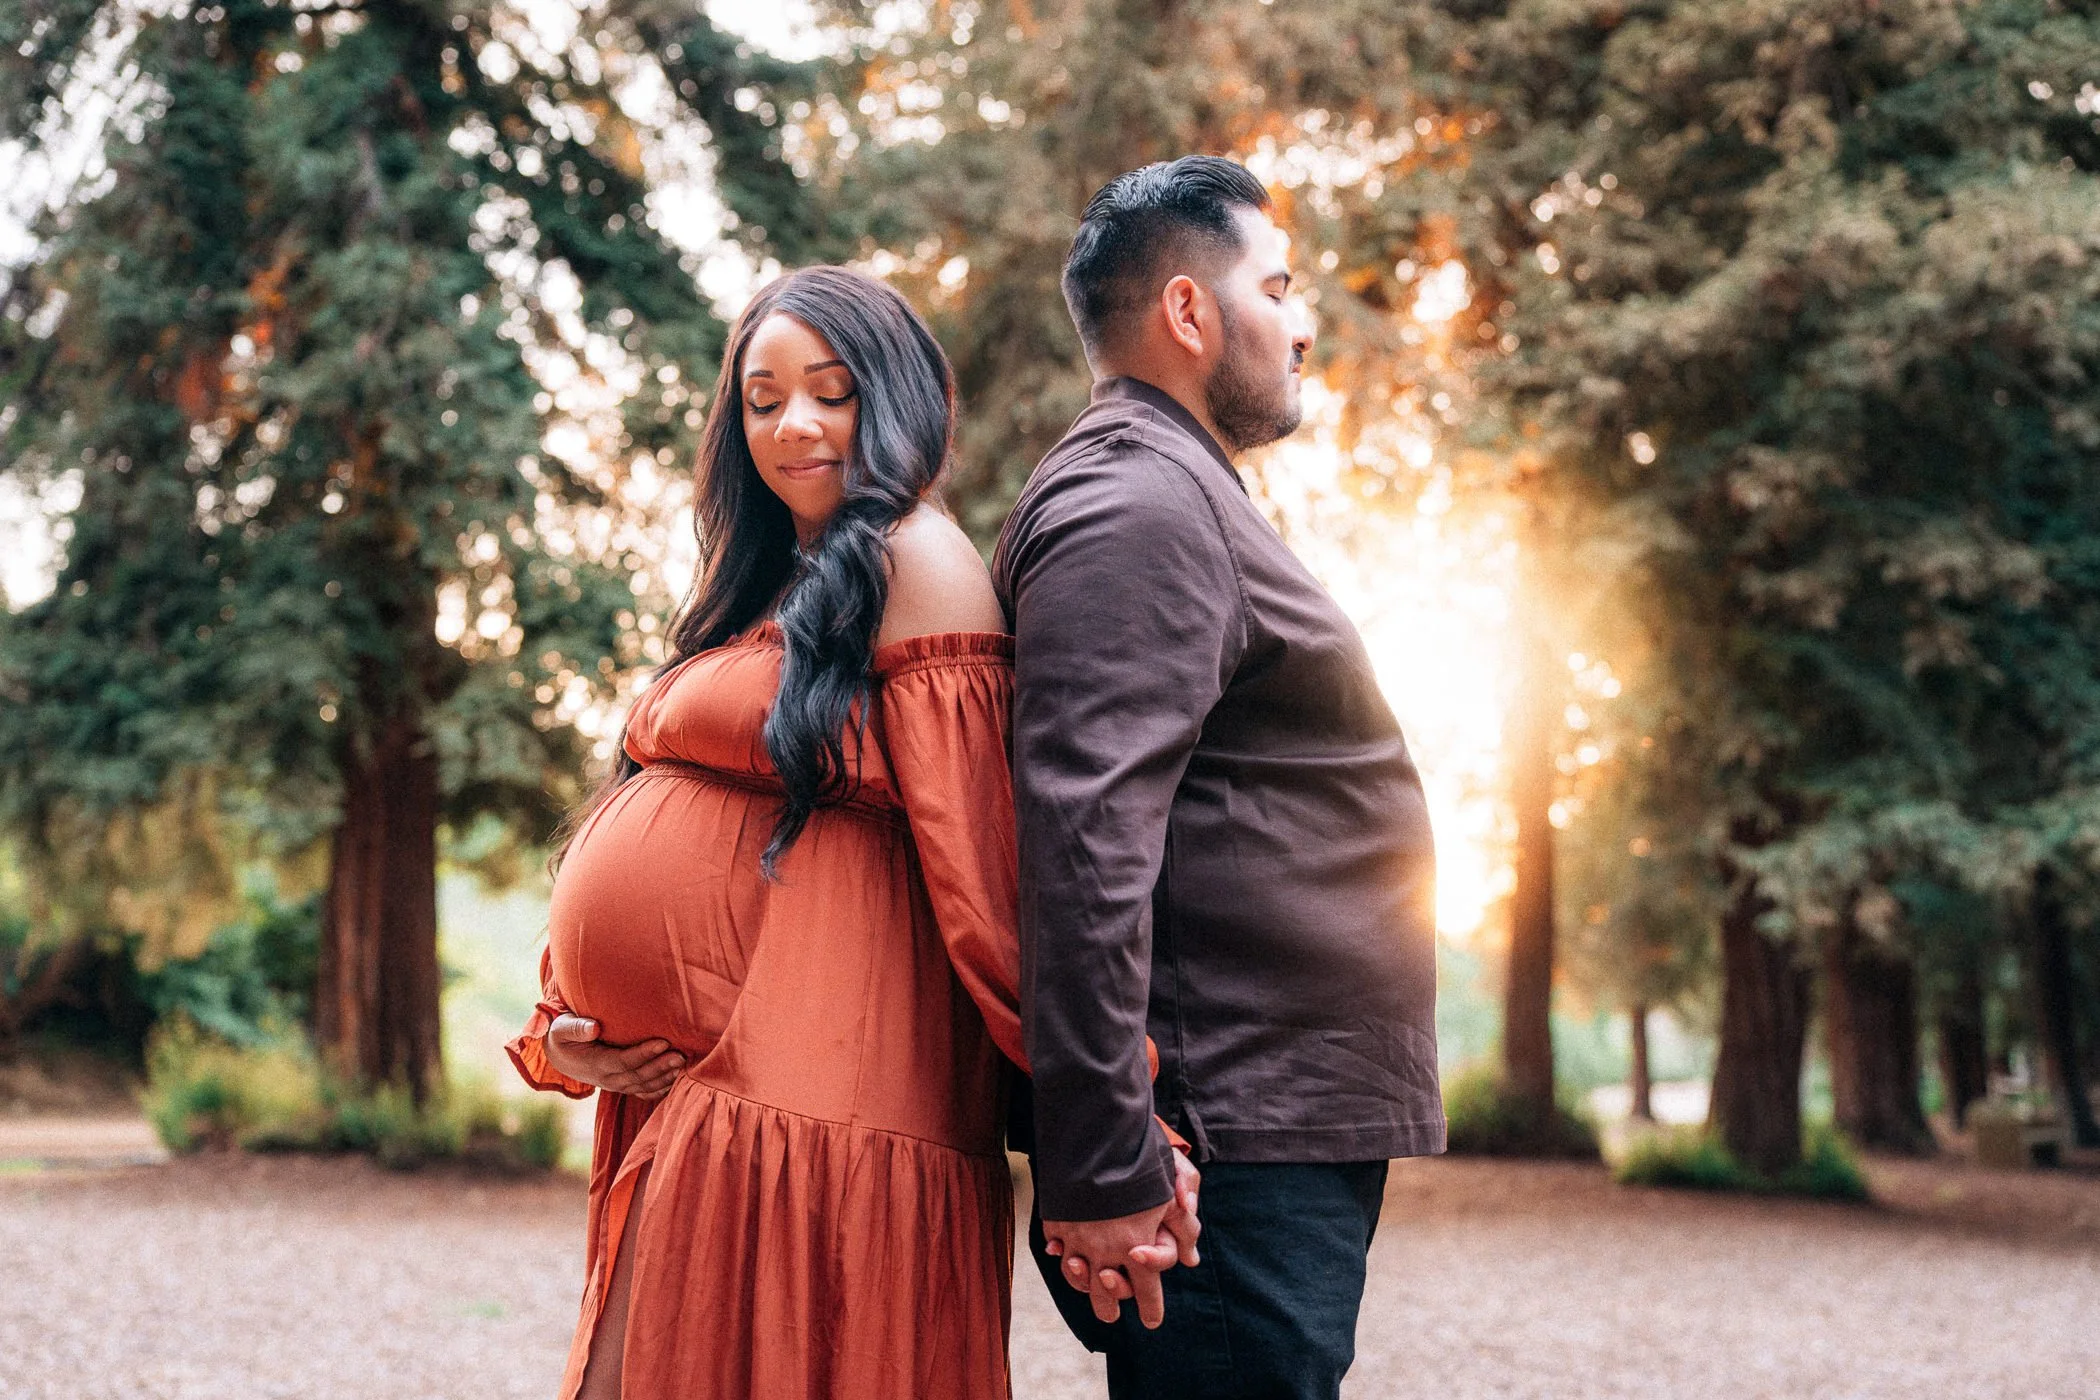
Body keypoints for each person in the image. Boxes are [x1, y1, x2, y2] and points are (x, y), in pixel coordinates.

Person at [505, 265, 1195, 1400]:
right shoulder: (769, 579)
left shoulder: (913, 557)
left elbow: (989, 870)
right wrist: (561, 1030)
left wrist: (1120, 1121)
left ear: (897, 394)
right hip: (706, 1087)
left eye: (831, 391)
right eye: (763, 397)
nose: (795, 424)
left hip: (823, 1099)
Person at [994, 156, 1447, 1400]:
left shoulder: (1174, 487)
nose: (1305, 322)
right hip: (1223, 1136)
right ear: (1190, 313)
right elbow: (1081, 840)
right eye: (1281, 285)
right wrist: (1100, 1159)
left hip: (1258, 1115)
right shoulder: (1136, 499)